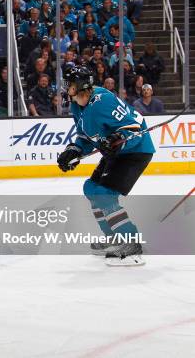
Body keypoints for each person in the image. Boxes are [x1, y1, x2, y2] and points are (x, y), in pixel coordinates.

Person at [57, 66, 155, 266]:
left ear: (80, 86)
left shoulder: (103, 101)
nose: (66, 87)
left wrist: (117, 138)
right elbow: (86, 135)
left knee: (103, 194)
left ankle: (131, 244)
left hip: (135, 150)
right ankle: (114, 237)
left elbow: (133, 128)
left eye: (69, 84)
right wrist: (74, 150)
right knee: (91, 188)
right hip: (117, 152)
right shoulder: (77, 106)